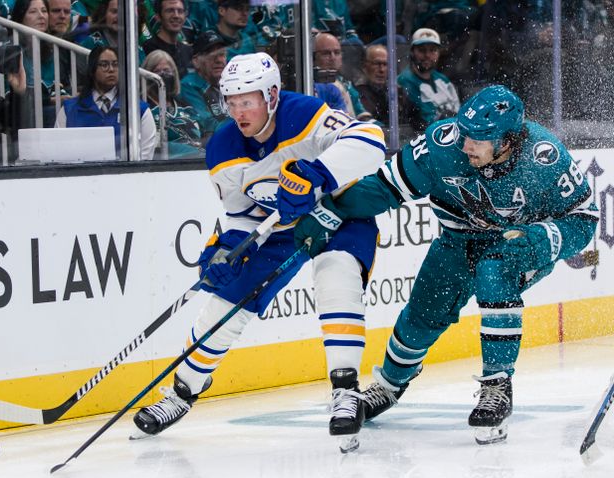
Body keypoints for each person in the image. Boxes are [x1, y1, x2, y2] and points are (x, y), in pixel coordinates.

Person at [293, 85, 600, 445]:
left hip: (519, 242)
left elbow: (583, 218)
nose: (466, 145)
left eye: (479, 139)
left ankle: (497, 386)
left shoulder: (544, 158)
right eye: (466, 134)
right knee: (422, 314)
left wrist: (539, 239)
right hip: (457, 241)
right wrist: (330, 210)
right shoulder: (442, 144)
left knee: (495, 272)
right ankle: (389, 386)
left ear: (507, 141)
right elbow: (384, 189)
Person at [132, 52, 386, 452]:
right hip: (279, 231)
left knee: (337, 277)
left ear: (271, 95)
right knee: (225, 302)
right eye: (231, 102)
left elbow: (371, 141)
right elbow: (244, 215)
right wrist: (228, 247)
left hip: (338, 212)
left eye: (246, 101)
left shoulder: (302, 113)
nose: (238, 111)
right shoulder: (223, 148)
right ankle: (182, 394)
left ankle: (345, 391)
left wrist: (316, 173)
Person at [55, 46, 157, 160]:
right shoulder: (69, 110)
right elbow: (59, 154)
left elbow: (145, 158)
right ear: (92, 70)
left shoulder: (139, 109)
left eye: (115, 64)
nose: (111, 69)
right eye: (104, 65)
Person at [142, 50, 204, 159]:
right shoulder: (144, 108)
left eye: (166, 70)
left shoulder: (185, 105)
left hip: (199, 162)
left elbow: (204, 133)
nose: (163, 75)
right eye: (157, 71)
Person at [397, 27, 460, 133]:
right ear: (412, 52)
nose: (427, 55)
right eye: (422, 50)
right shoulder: (404, 81)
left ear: (439, 53)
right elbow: (422, 121)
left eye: (433, 50)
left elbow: (458, 110)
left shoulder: (443, 80)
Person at [180, 30, 229, 140]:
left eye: (222, 54)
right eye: (212, 55)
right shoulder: (188, 85)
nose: (218, 60)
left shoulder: (228, 82)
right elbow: (207, 124)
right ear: (196, 61)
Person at [313, 32, 371, 121]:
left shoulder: (346, 83)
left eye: (337, 52)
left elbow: (362, 116)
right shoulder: (309, 85)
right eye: (326, 53)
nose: (332, 58)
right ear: (313, 57)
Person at [143, 0, 193, 76]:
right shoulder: (148, 48)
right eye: (170, 11)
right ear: (158, 17)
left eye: (180, 11)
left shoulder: (188, 51)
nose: (176, 16)